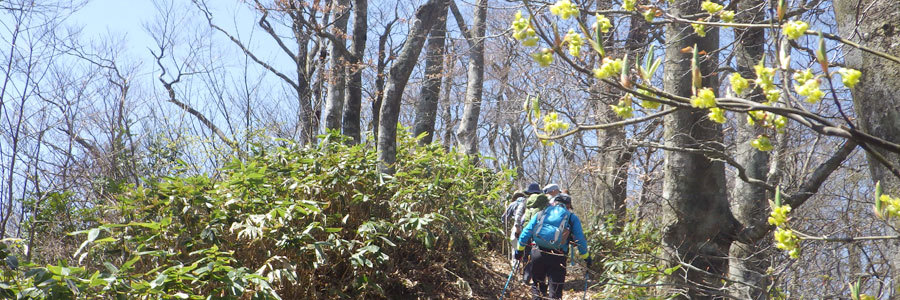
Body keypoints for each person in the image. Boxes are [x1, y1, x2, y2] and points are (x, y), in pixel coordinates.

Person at [514, 193, 591, 300]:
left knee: (537, 287)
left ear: (554, 202)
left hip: (538, 252)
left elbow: (525, 233)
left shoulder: (541, 213)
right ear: (568, 205)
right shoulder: (571, 217)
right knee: (555, 293)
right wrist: (586, 257)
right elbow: (580, 240)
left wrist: (519, 251)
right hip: (558, 256)